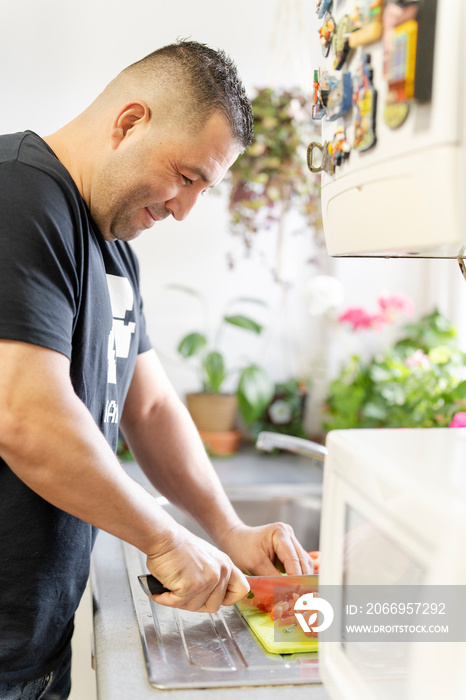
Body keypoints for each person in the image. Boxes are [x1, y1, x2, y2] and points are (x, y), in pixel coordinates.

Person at [0, 40, 314, 699]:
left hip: (32, 648)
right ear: (129, 122)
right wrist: (164, 535)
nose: (183, 208)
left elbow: (150, 408)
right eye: (187, 176)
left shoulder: (113, 249)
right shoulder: (18, 194)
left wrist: (228, 529)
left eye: (205, 188)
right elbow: (23, 416)